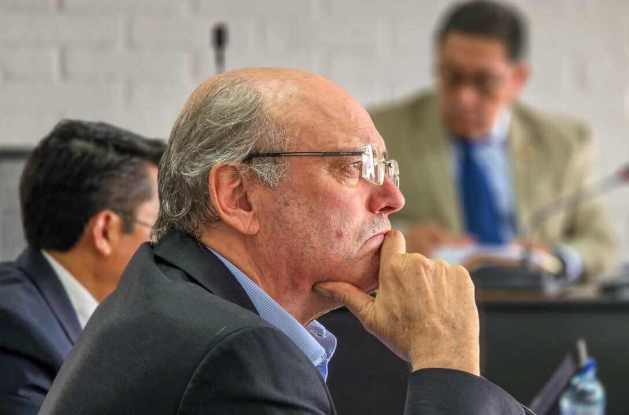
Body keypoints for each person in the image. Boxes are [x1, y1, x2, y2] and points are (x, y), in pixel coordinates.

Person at [38, 69, 531, 414]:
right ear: (239, 196)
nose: (392, 197)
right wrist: (448, 361)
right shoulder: (237, 356)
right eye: (355, 168)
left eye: (386, 168)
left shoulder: (168, 293)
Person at [370, 0, 616, 280]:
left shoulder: (565, 144)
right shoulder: (381, 131)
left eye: (484, 81)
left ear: (518, 79)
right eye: (452, 76)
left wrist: (555, 258)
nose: (464, 97)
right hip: (426, 300)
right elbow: (347, 225)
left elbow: (600, 243)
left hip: (535, 309)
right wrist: (401, 241)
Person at [0, 120, 165, 414]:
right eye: (158, 229)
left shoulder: (101, 320)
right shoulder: (15, 326)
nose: (166, 247)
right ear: (104, 231)